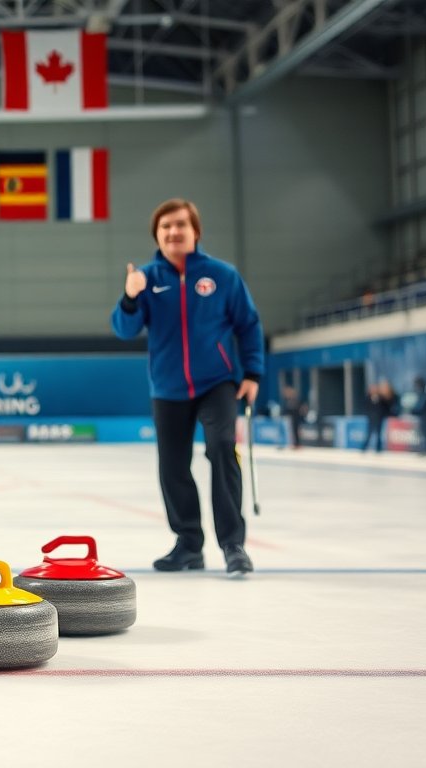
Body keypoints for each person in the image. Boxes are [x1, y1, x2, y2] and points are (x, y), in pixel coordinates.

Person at [112, 198, 264, 578]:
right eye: (165, 227)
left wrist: (253, 374)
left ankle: (233, 545)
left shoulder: (223, 276)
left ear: (195, 231)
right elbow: (124, 329)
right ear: (157, 235)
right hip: (168, 388)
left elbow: (248, 324)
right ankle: (189, 545)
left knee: (221, 449)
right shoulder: (147, 279)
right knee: (173, 467)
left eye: (180, 225)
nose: (173, 232)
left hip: (217, 383)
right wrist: (130, 296)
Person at [361, 381, 396, 453]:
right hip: (371, 418)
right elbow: (365, 408)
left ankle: (378, 449)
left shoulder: (381, 398)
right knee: (369, 433)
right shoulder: (368, 398)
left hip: (379, 418)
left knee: (379, 434)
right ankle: (364, 448)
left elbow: (387, 406)